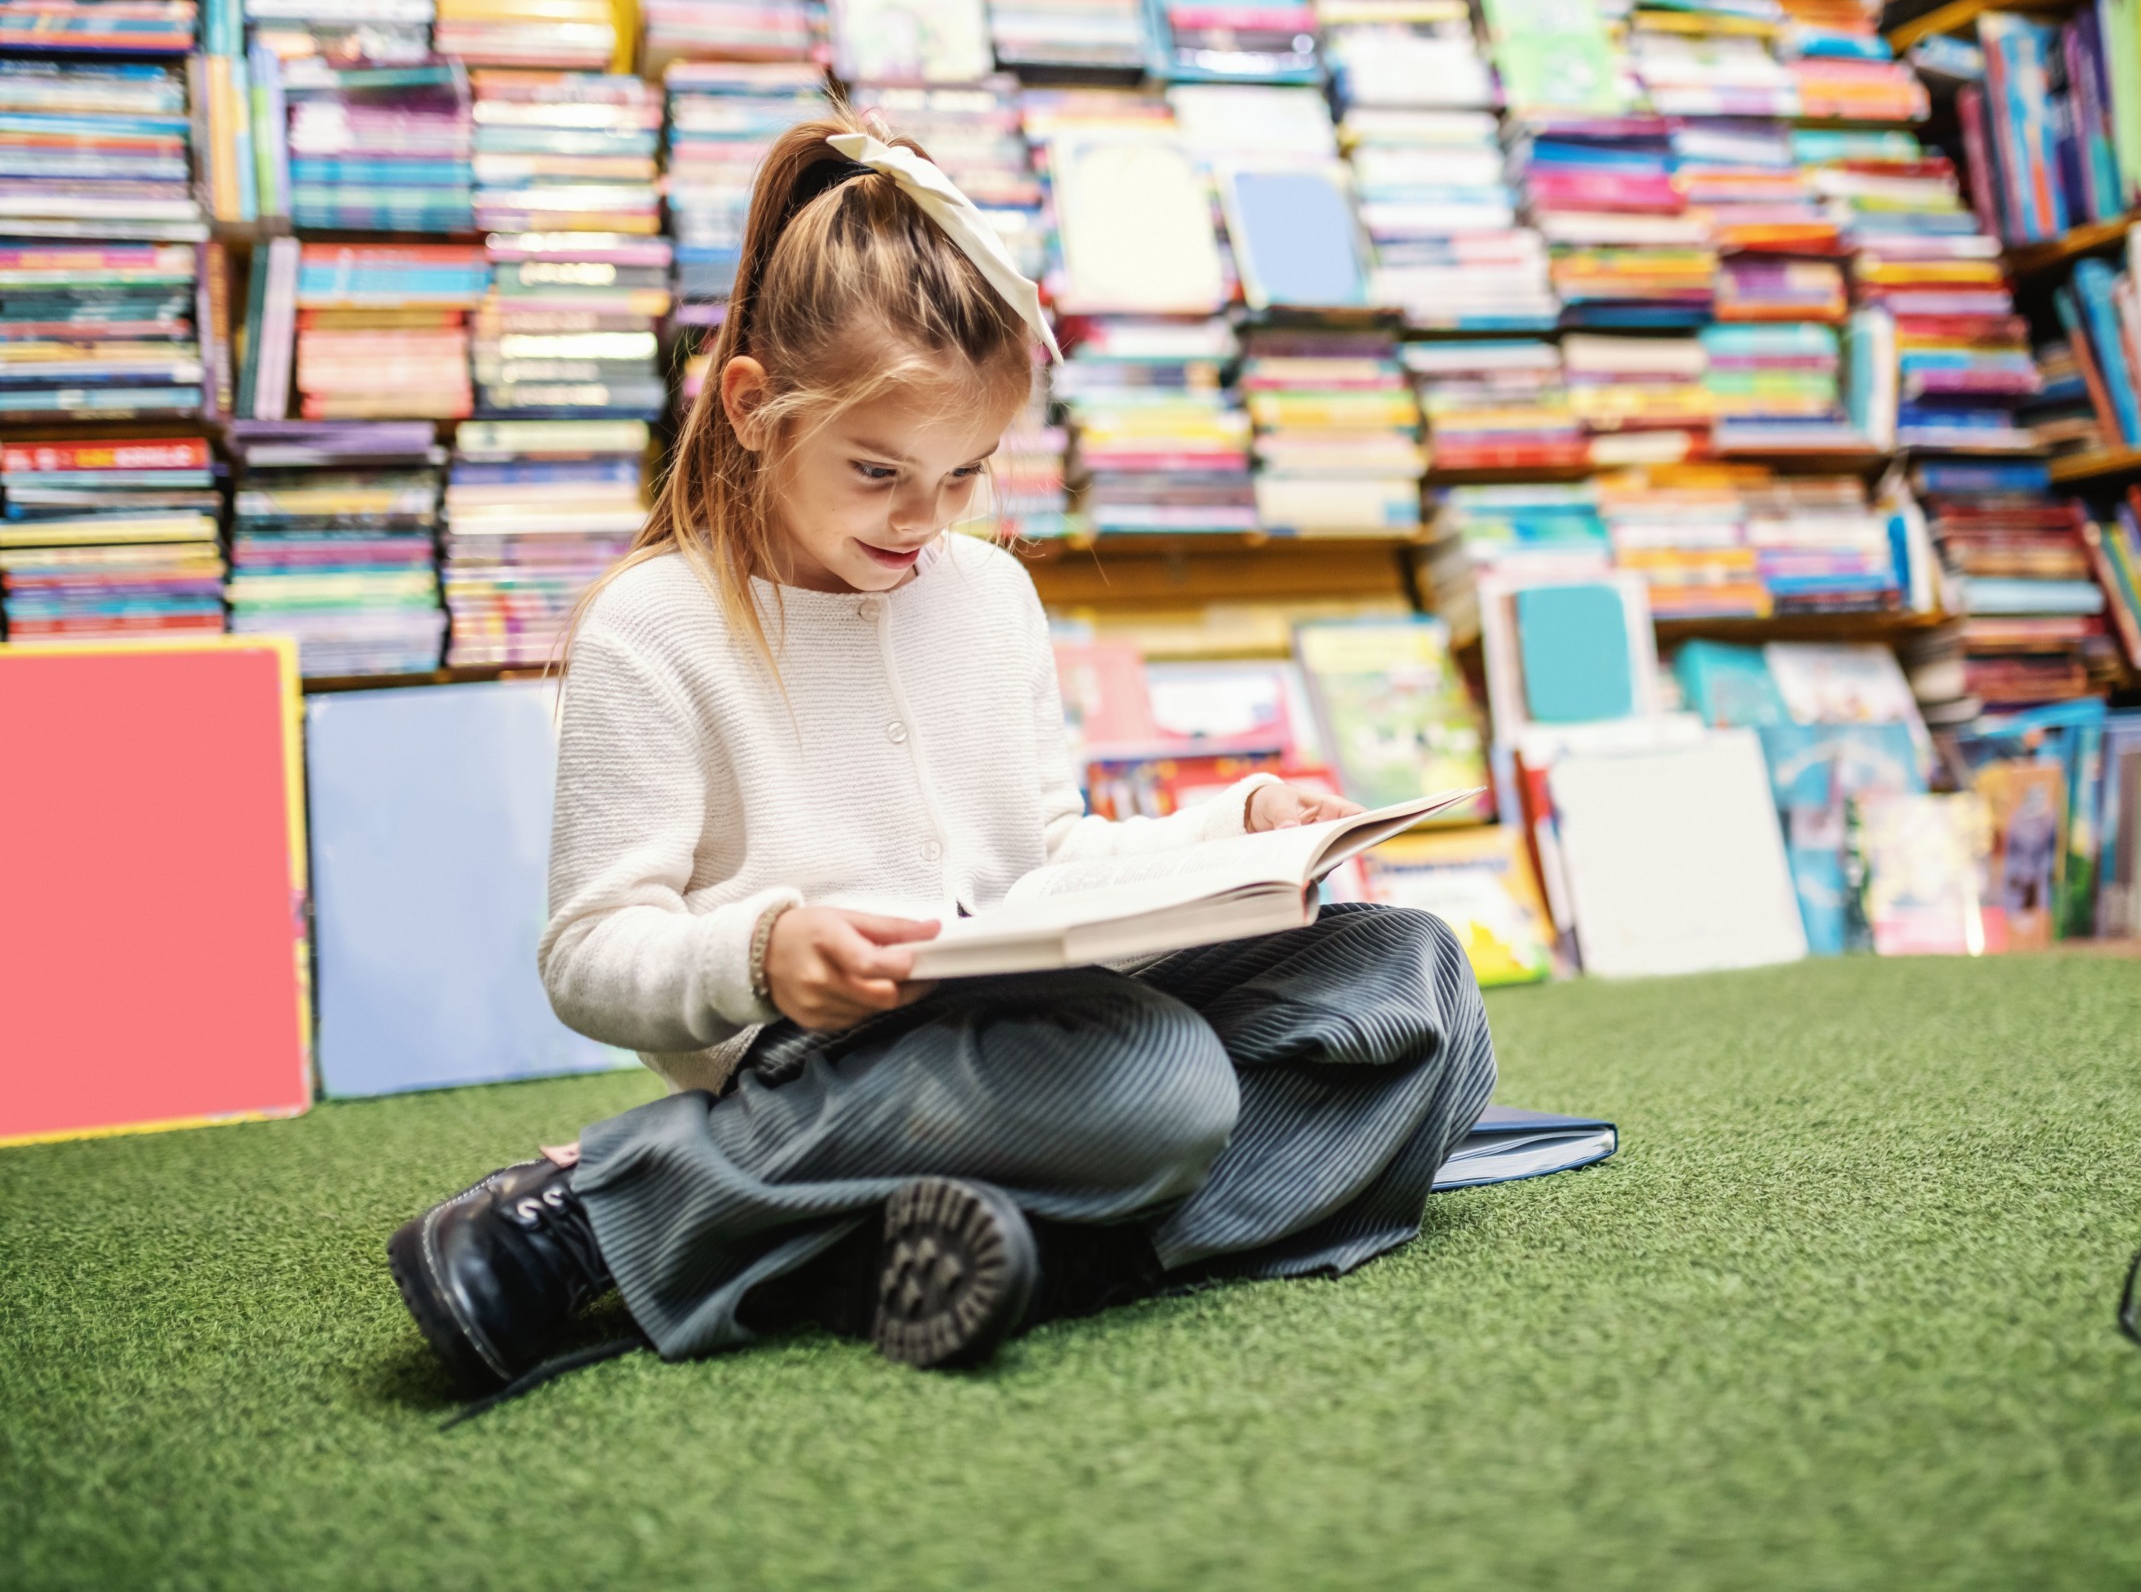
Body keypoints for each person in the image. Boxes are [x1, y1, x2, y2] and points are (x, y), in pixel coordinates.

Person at [385, 115, 1498, 1398]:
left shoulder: (986, 597)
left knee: (1414, 988)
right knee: (1159, 1085)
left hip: (1033, 1008)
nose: (924, 519)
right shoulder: (657, 626)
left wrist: (1233, 830)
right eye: (877, 473)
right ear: (752, 409)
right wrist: (765, 952)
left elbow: (1039, 858)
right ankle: (594, 1209)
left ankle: (956, 1260)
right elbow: (589, 954)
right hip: (830, 1050)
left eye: (964, 474)